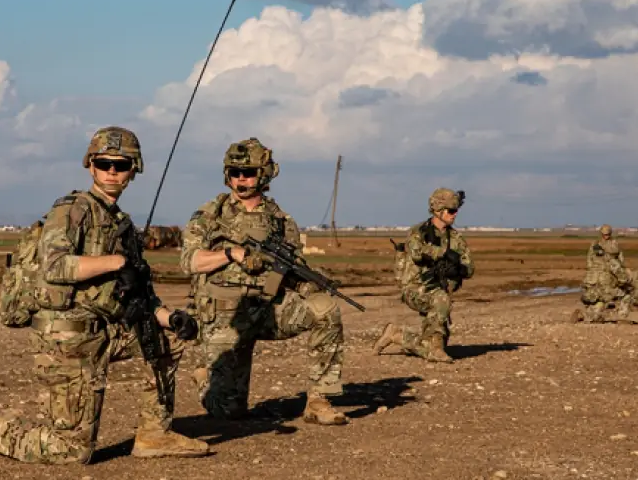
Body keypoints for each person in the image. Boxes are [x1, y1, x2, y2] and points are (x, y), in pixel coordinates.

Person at [0, 126, 209, 464]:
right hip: (68, 339)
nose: (112, 171)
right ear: (91, 165)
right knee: (71, 451)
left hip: (106, 329)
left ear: (133, 170)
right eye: (104, 163)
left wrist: (170, 318)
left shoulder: (119, 224)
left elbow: (141, 296)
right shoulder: (72, 211)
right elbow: (55, 266)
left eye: (121, 164)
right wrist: (117, 261)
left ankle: (154, 434)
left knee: (169, 337)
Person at [180, 137, 348, 425]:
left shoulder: (280, 221)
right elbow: (190, 261)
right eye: (235, 173)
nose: (241, 179)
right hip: (225, 316)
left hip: (269, 309)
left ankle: (320, 399)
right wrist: (231, 254)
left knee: (325, 308)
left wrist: (310, 283)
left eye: (249, 173)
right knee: (229, 412)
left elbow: (293, 269)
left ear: (265, 174)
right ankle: (204, 378)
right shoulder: (210, 215)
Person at [373, 188, 474, 363]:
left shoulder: (456, 238)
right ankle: (433, 349)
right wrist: (443, 253)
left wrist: (458, 268)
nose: (454, 214)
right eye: (451, 210)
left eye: (456, 210)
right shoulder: (418, 232)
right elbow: (416, 252)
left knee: (436, 338)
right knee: (441, 301)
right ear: (437, 210)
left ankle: (397, 335)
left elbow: (469, 267)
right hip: (415, 288)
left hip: (439, 289)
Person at [572, 224, 633, 323]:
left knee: (597, 309)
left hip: (594, 289)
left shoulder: (607, 246)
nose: (606, 236)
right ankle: (622, 317)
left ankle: (585, 315)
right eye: (605, 234)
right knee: (626, 294)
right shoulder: (610, 260)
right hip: (604, 287)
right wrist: (625, 280)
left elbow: (590, 261)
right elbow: (622, 275)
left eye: (607, 234)